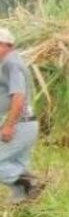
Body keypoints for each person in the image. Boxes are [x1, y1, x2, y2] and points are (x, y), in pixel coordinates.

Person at [0, 28, 42, 204]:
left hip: (19, 124)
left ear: (5, 45)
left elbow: (18, 97)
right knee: (17, 165)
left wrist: (9, 126)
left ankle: (31, 182)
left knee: (7, 166)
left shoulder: (11, 64)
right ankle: (22, 206)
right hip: (25, 124)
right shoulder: (10, 63)